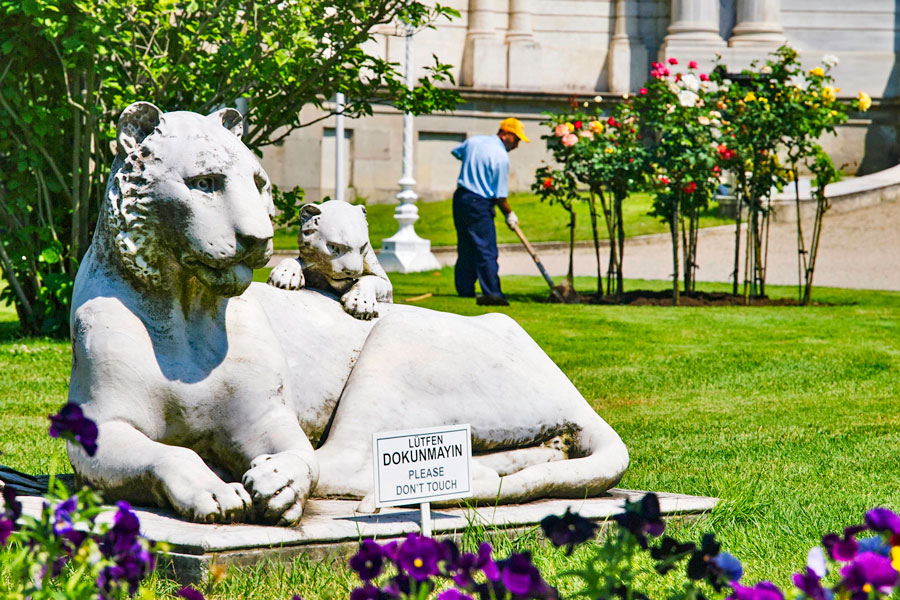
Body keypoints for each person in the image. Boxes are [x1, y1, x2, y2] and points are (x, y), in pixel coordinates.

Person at [450, 117, 529, 306]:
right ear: (505, 134)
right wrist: (509, 215)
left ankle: (465, 289)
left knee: (467, 246)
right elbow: (500, 195)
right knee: (486, 249)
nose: (517, 145)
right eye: (516, 139)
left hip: (461, 199)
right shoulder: (501, 158)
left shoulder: (473, 141)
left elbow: (456, 153)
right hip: (479, 203)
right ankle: (493, 293)